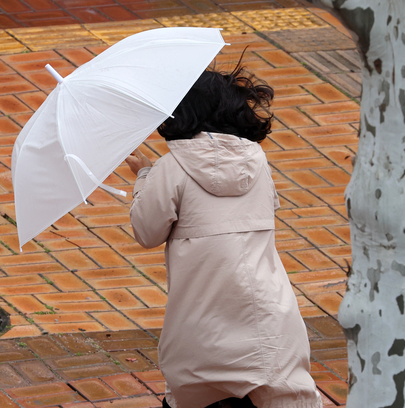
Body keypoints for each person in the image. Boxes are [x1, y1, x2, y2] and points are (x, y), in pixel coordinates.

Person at [126, 61, 322, 408]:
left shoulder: (171, 168)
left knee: (194, 394)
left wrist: (144, 176)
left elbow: (147, 231)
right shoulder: (257, 160)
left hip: (202, 319)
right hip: (268, 316)